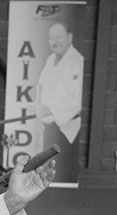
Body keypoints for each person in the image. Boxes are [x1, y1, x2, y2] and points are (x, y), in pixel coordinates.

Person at [35, 21, 83, 183]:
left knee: (56, 172)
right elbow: (41, 88)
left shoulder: (77, 61)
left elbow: (76, 102)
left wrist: (49, 109)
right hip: (48, 126)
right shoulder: (51, 59)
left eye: (59, 37)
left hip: (66, 131)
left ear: (70, 37)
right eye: (52, 38)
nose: (55, 41)